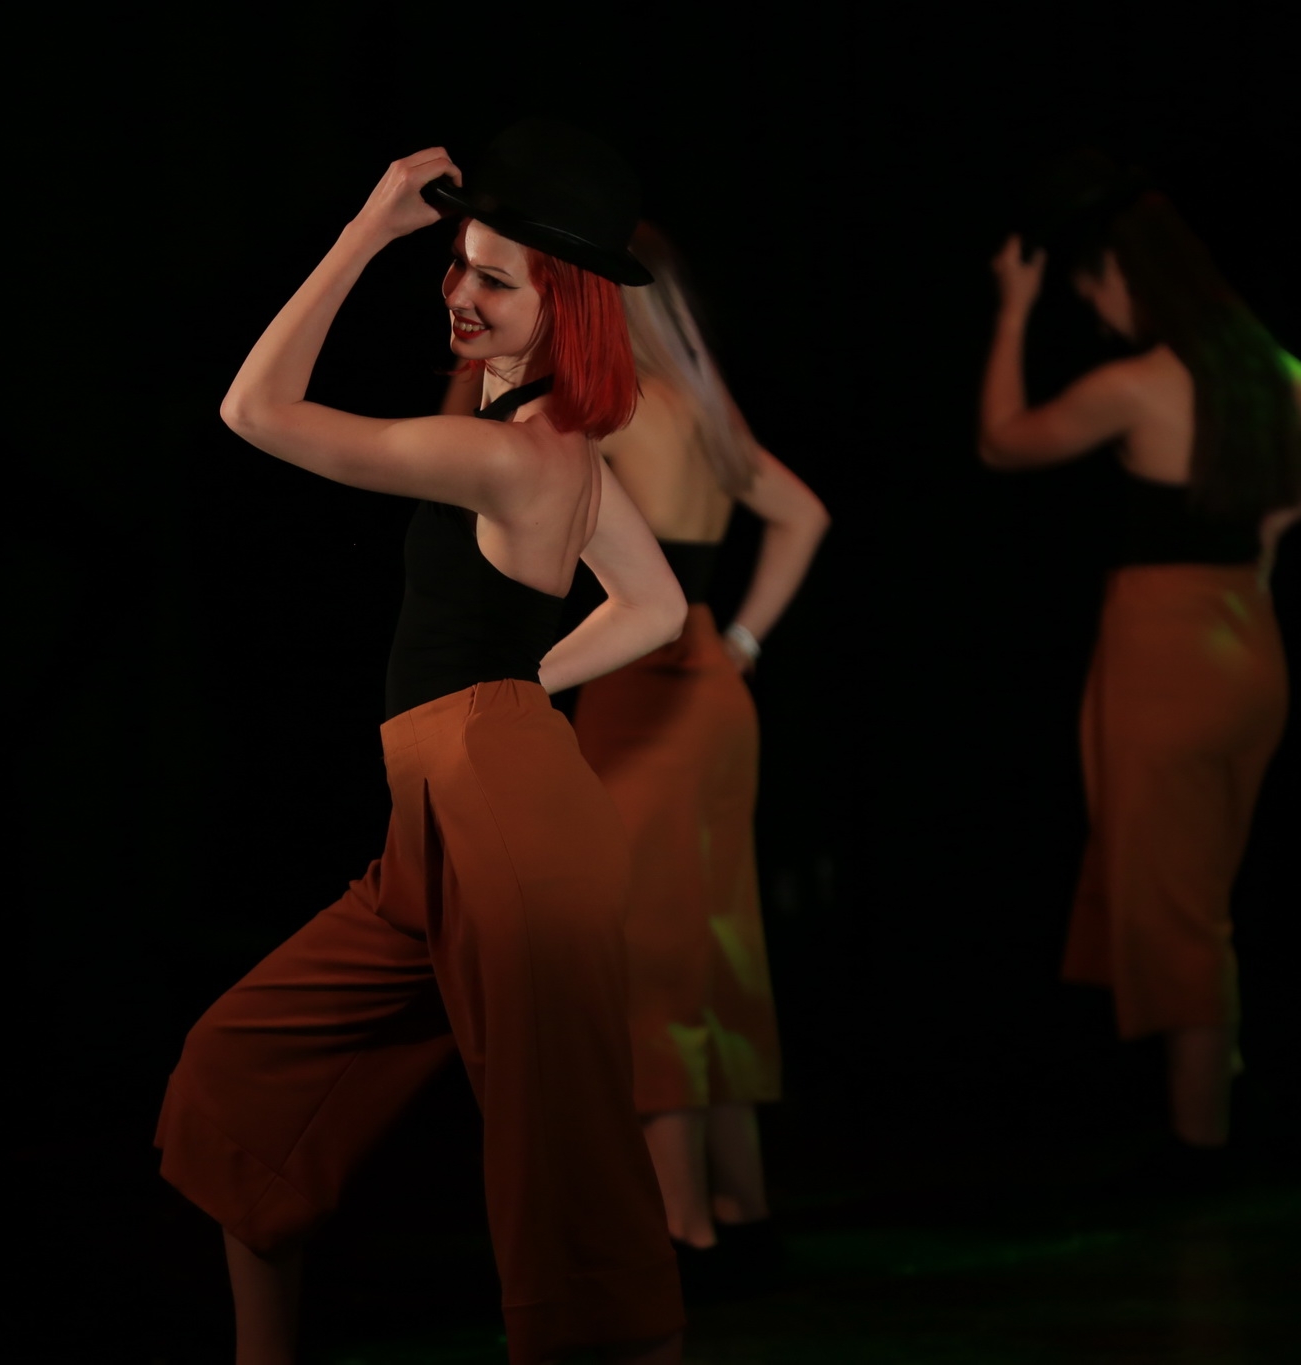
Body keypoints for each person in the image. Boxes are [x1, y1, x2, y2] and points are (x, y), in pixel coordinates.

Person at [156, 121, 690, 1365]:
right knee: (241, 1076)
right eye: (454, 263)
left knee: (564, 1174)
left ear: (563, 306)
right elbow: (655, 608)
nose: (457, 291)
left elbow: (251, 409)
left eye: (494, 278)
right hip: (452, 817)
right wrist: (513, 689)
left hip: (500, 817)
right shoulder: (555, 446)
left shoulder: (502, 454)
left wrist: (364, 230)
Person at [979, 156, 1301, 1158]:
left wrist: (1013, 310)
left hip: (1166, 653)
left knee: (1177, 906)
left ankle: (1198, 1138)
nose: (1092, 306)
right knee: (1196, 888)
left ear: (1128, 277)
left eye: (1094, 286)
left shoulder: (1136, 384)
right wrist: (1276, 521)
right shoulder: (1257, 366)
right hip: (1246, 643)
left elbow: (1001, 443)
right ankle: (1213, 1086)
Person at [570, 223, 825, 1287]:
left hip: (644, 691)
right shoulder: (703, 405)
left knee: (653, 958)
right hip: (713, 690)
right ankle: (741, 1210)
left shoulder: (608, 406)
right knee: (719, 951)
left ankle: (684, 1231)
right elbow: (803, 514)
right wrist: (745, 642)